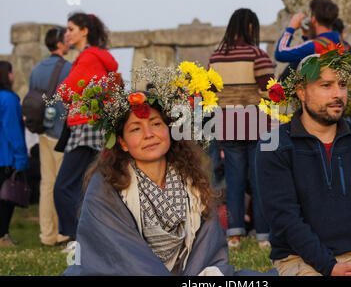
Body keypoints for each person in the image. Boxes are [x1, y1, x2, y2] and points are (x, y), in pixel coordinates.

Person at [63, 61, 276, 275]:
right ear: (123, 142)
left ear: (169, 130)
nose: (149, 134)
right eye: (136, 128)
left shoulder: (192, 179)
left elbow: (207, 245)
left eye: (156, 124)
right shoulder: (106, 184)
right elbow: (117, 250)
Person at [256, 36, 351, 276]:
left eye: (342, 85)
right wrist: (330, 266)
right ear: (301, 92)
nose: (338, 94)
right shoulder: (274, 145)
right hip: (300, 260)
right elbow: (285, 219)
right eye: (326, 85)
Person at [208, 8, 273, 249]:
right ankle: (263, 235)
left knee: (233, 180)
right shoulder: (258, 54)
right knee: (259, 180)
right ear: (250, 28)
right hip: (255, 123)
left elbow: (210, 94)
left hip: (227, 124)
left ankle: (234, 234)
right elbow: (269, 91)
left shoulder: (216, 58)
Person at [53, 12, 118, 241]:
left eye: (71, 29)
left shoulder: (88, 57)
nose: (67, 34)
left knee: (63, 186)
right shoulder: (100, 58)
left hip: (84, 128)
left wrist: (64, 93)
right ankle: (90, 238)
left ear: (84, 31)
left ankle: (76, 236)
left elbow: (66, 90)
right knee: (88, 187)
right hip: (97, 127)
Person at [28, 28, 72, 246]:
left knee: (47, 183)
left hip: (43, 132)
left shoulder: (36, 70)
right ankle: (63, 233)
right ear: (61, 44)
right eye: (67, 38)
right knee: (63, 183)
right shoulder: (68, 69)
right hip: (61, 133)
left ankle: (47, 235)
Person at [275, 0, 341, 81]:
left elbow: (280, 53)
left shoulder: (313, 46)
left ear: (313, 19)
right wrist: (308, 36)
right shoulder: (339, 42)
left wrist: (291, 27)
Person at [0, 61, 29, 247]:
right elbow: (12, 130)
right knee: (5, 199)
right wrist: (21, 157)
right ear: (7, 75)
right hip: (6, 156)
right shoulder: (9, 99)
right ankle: (2, 236)